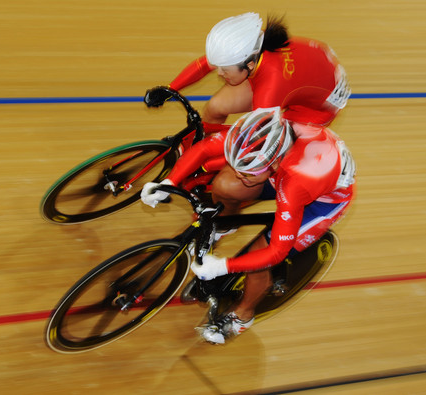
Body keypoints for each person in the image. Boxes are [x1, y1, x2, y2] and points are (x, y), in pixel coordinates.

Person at [140, 106, 356, 344]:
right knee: (224, 184)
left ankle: (243, 316)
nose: (240, 174)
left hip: (321, 201)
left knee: (258, 257)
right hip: (286, 171)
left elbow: (275, 253)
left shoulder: (296, 183)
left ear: (273, 164)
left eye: (248, 172)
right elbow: (203, 149)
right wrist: (168, 182)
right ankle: (225, 227)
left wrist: (223, 266)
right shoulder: (259, 134)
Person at [144, 12, 351, 133]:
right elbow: (205, 65)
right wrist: (170, 89)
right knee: (216, 107)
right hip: (299, 76)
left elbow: (254, 137)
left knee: (255, 158)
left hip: (314, 110)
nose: (219, 73)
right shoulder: (246, 50)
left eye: (225, 69)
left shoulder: (269, 89)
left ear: (249, 65)